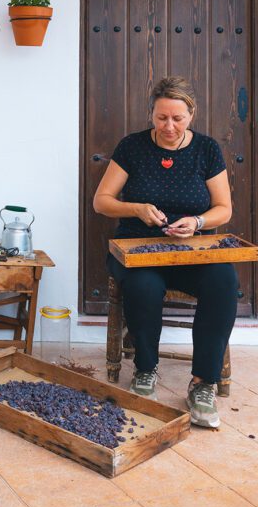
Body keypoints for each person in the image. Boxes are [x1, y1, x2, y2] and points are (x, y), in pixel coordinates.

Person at [93, 76, 238, 428]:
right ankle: (145, 369)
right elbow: (102, 202)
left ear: (192, 114)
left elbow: (224, 208)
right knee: (143, 287)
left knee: (223, 282)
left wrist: (199, 222)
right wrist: (137, 209)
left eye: (177, 118)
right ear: (151, 115)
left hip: (191, 251)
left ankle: (203, 382)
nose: (169, 126)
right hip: (139, 250)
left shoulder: (206, 150)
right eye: (161, 118)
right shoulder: (133, 147)